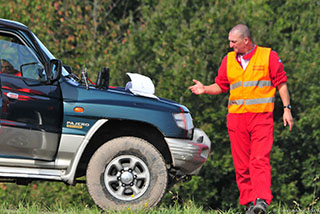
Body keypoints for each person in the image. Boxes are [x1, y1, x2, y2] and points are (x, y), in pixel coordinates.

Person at [189, 24, 293, 214]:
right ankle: (249, 204)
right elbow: (221, 85)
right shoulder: (228, 60)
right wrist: (205, 89)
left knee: (259, 159)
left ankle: (261, 200)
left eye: (233, 42)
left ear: (246, 41)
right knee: (242, 165)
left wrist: (287, 109)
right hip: (237, 119)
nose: (230, 46)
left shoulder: (267, 56)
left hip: (261, 117)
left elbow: (281, 84)